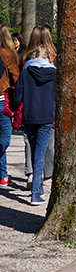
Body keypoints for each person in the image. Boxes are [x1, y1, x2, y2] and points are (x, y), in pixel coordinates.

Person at [13, 40, 56, 205]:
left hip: (29, 115)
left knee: (34, 151)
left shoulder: (25, 71)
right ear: (48, 58)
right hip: (46, 116)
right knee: (40, 153)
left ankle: (38, 186)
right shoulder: (54, 73)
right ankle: (36, 192)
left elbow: (17, 97)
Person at [0, 26, 20, 187]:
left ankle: (3, 175)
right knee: (5, 139)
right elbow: (16, 78)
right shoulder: (9, 54)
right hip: (2, 100)